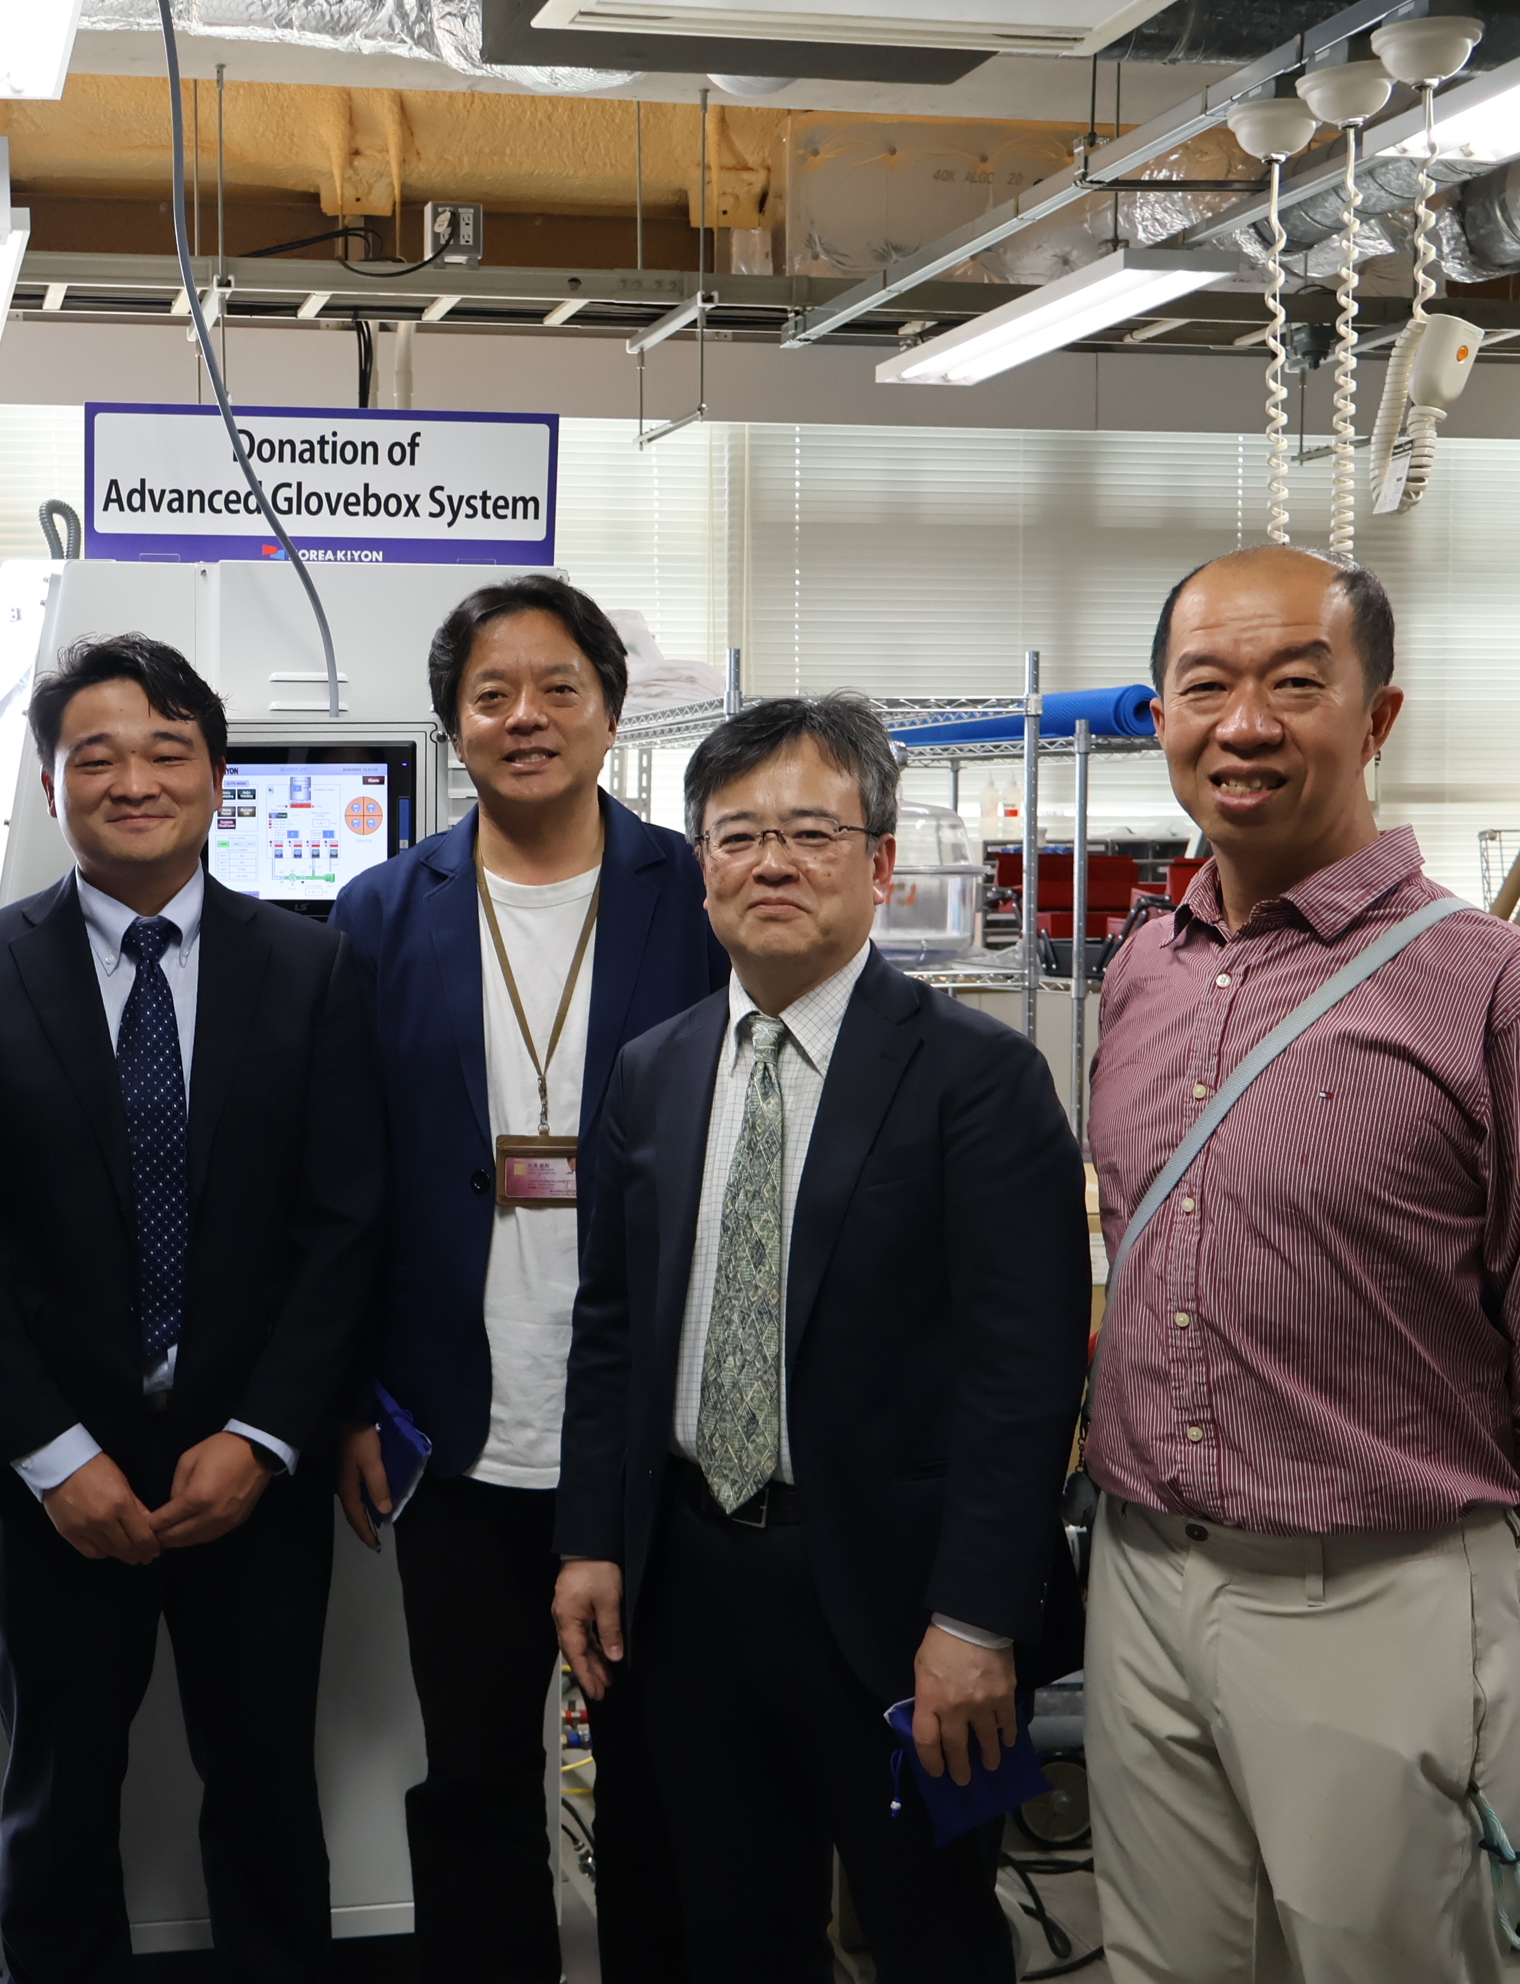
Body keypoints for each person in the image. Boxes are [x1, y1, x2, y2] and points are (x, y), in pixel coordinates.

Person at [1083, 545, 1520, 1983]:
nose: (1245, 723)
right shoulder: (1146, 968)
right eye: (1205, 686)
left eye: (1297, 683)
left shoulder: (1511, 999)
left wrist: (1423, 1535)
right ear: (1160, 716)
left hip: (1378, 1599)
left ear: (1378, 716)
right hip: (1143, 1578)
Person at [553, 692, 1090, 1983]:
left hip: (904, 1606)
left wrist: (977, 1618)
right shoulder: (653, 1070)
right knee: (732, 1935)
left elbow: (1024, 1379)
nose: (772, 864)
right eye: (738, 836)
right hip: (693, 1584)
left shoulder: (979, 1078)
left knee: (932, 1939)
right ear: (702, 868)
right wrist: (589, 1539)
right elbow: (612, 1333)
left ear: (882, 864)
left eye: (811, 833)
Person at [0, 633, 385, 1984]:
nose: (134, 781)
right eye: (96, 757)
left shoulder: (312, 968)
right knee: (60, 1797)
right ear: (50, 785)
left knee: (267, 1788)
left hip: (253, 1475)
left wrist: (266, 1437)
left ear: (218, 779)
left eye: (168, 752)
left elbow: (345, 1226)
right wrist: (55, 1456)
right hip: (55, 1483)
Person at [326, 575, 721, 1984]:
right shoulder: (380, 911)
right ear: (454, 726)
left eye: (560, 687)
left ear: (612, 711)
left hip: (653, 1428)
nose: (527, 716)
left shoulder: (698, 893)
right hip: (455, 1428)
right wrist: (353, 1399)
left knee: (658, 1771)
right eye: (492, 694)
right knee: (477, 1773)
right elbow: (346, 1180)